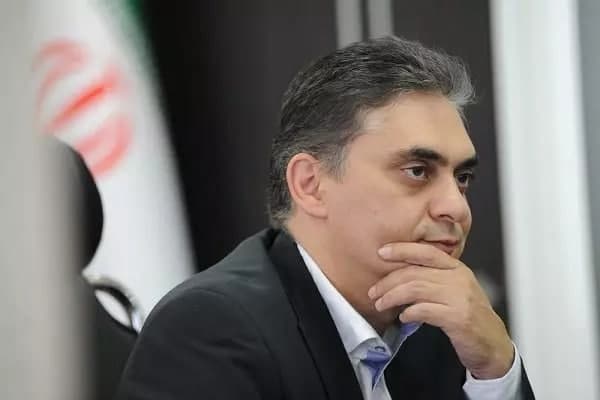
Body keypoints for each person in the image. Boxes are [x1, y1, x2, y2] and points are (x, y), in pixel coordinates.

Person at [117, 36, 535, 400]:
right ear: (310, 185)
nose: (457, 208)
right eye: (417, 171)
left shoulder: (442, 325)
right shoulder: (212, 328)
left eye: (462, 178)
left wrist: (495, 370)